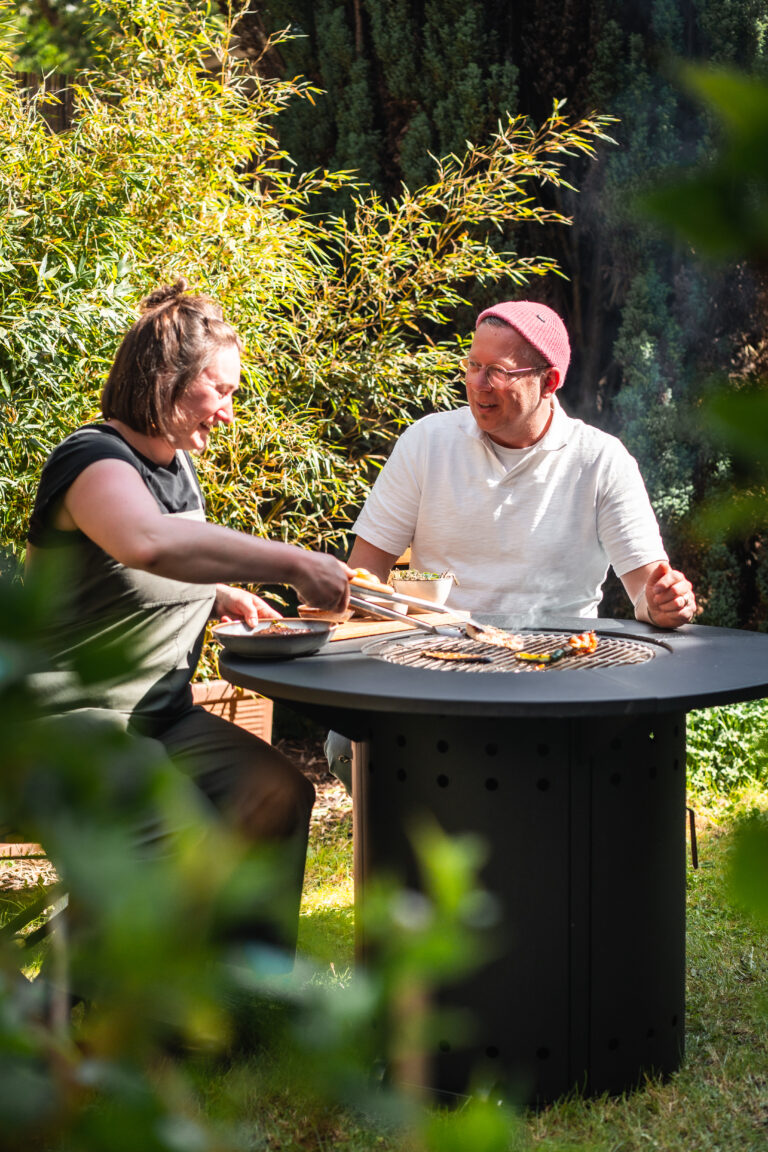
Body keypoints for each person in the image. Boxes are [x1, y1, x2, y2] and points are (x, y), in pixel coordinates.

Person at [26, 279, 352, 959]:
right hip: (66, 726)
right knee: (182, 842)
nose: (229, 413)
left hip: (160, 718)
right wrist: (291, 561)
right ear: (168, 378)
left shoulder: (176, 468)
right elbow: (145, 542)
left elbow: (145, 570)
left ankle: (251, 994)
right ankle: (105, 1002)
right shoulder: (91, 459)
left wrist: (219, 594)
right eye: (222, 390)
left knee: (277, 795)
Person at [326, 300, 696, 788]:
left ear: (549, 382)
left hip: (562, 671)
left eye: (497, 371)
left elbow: (648, 594)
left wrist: (666, 601)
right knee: (342, 742)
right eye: (473, 366)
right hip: (435, 663)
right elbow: (365, 578)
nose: (477, 384)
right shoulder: (427, 443)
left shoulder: (600, 460)